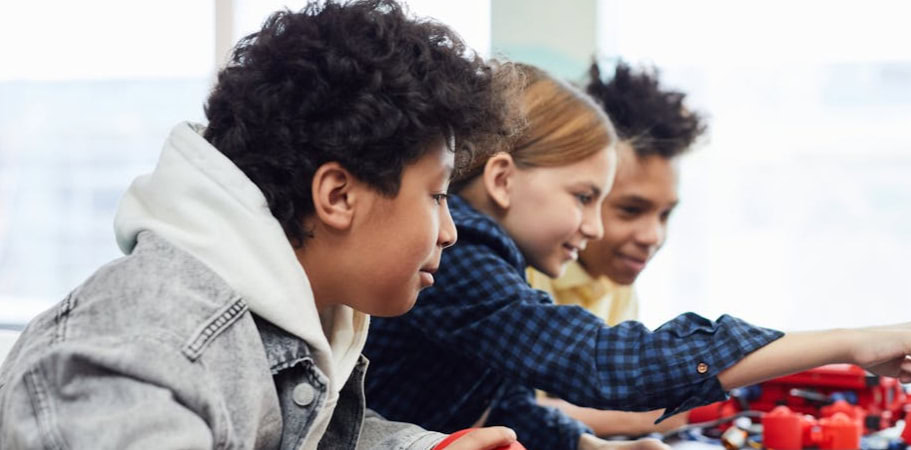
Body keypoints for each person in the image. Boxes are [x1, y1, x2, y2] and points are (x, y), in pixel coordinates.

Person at [0, 1, 522, 449]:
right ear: (338, 196)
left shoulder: (282, 323)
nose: (449, 231)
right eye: (436, 195)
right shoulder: (136, 358)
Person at [363, 62, 911, 450]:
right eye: (584, 198)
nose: (594, 227)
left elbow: (500, 398)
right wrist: (846, 343)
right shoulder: (465, 252)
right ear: (501, 180)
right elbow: (598, 363)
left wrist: (585, 446)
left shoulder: (488, 257)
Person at [525, 61, 706, 438]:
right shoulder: (517, 272)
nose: (652, 236)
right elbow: (506, 410)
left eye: (665, 214)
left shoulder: (619, 282)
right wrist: (641, 416)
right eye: (631, 209)